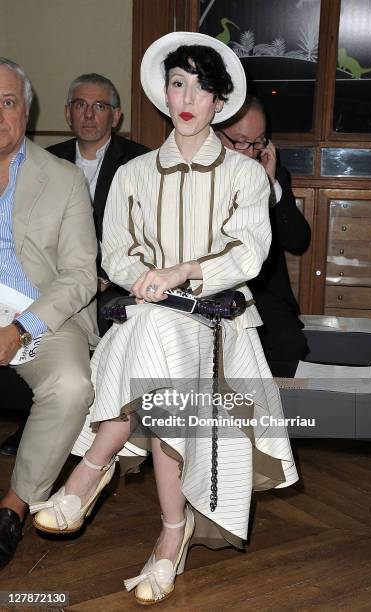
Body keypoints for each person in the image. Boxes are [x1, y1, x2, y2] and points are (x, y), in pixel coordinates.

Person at [32, 32, 298, 605]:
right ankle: (170, 536)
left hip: (219, 325)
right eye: (178, 83)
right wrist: (141, 280)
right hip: (151, 320)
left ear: (219, 101)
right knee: (154, 346)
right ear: (163, 91)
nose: (188, 96)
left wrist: (179, 273)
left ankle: (90, 471)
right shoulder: (134, 175)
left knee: (150, 337)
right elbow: (115, 253)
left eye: (202, 88)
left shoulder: (246, 176)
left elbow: (249, 253)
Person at [0, 58, 98, 570]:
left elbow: (81, 274)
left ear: (27, 110)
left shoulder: (62, 179)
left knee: (73, 384)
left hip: (41, 316)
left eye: (8, 101)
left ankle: (14, 506)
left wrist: (20, 328)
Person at [47, 73, 149, 336]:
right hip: (55, 279)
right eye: (81, 105)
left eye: (99, 106)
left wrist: (101, 276)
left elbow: (146, 233)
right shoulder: (47, 162)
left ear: (116, 116)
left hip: (115, 283)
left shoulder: (141, 162)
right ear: (68, 113)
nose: (89, 115)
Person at [216, 96, 311, 377]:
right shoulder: (200, 173)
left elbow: (298, 240)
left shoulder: (272, 172)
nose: (251, 152)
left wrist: (269, 187)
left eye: (259, 142)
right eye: (242, 141)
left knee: (289, 348)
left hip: (263, 295)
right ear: (217, 135)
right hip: (210, 290)